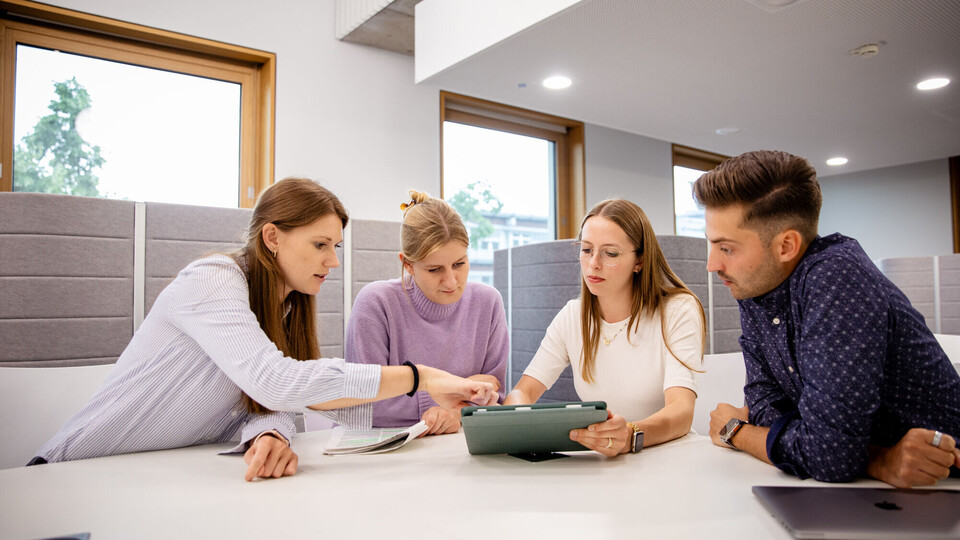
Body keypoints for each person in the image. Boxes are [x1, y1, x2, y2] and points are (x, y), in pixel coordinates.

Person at [31, 178, 497, 481]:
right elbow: (275, 379)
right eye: (320, 244)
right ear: (272, 238)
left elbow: (269, 400)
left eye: (335, 245)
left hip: (157, 476)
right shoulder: (212, 280)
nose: (333, 260)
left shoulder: (287, 309)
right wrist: (421, 376)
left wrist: (269, 433)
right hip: (74, 474)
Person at [696, 150, 960, 487]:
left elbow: (830, 456)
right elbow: (764, 401)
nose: (712, 264)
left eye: (727, 248)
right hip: (867, 488)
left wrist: (738, 432)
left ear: (786, 245)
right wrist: (876, 459)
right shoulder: (756, 286)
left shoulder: (837, 276)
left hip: (942, 482)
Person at [503, 199, 705, 456]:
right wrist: (515, 417)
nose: (593, 264)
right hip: (605, 464)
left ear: (639, 260)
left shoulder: (677, 310)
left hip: (669, 458)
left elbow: (681, 411)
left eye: (610, 253)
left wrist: (630, 435)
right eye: (586, 250)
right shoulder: (572, 316)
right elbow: (524, 390)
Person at [345, 191, 508, 436]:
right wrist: (449, 397)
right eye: (434, 269)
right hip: (376, 445)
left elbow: (494, 393)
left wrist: (457, 413)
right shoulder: (376, 303)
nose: (451, 281)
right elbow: (363, 403)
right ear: (407, 264)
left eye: (459, 264)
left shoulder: (488, 302)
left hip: (452, 447)